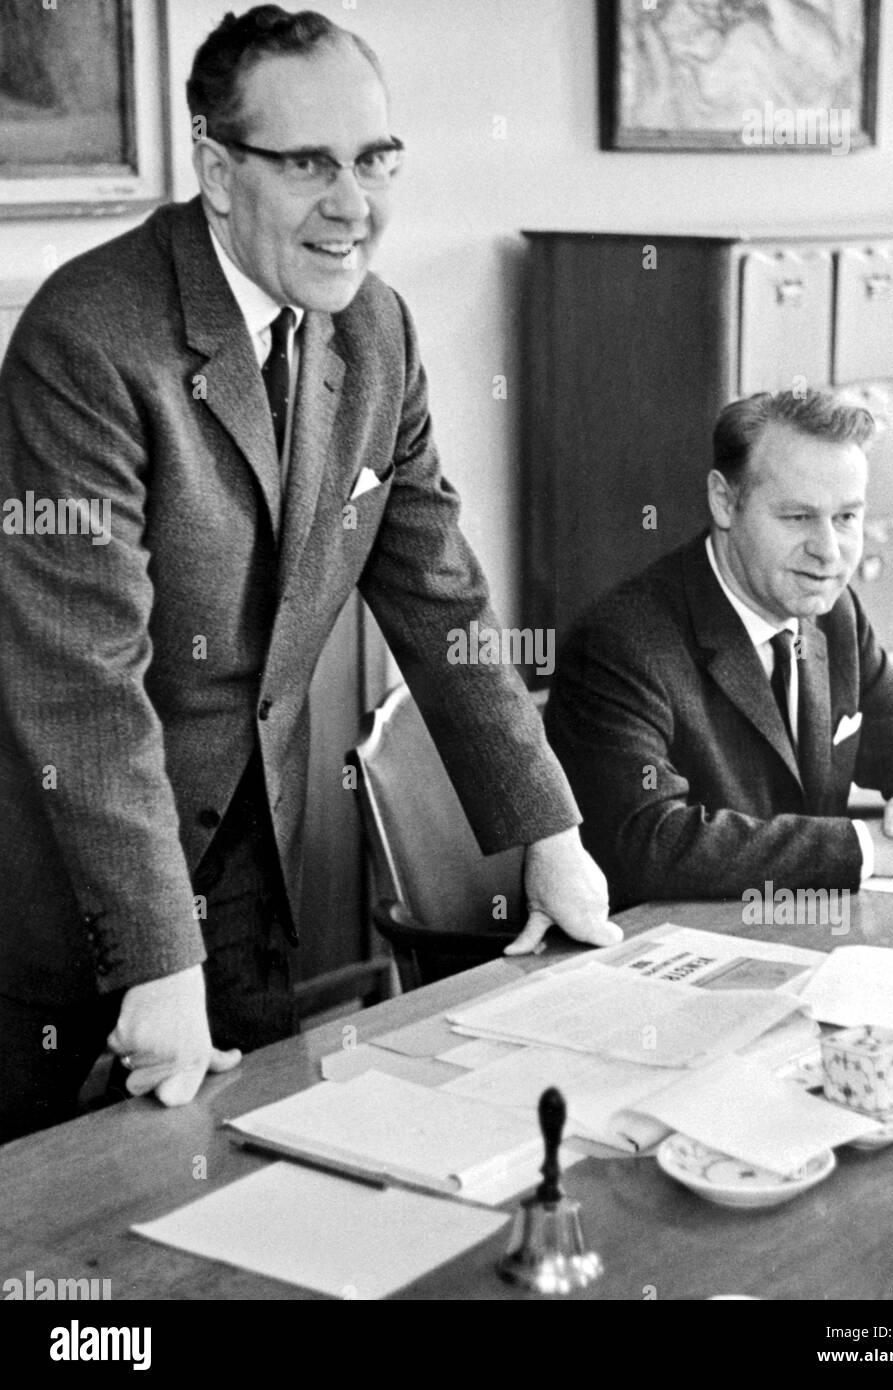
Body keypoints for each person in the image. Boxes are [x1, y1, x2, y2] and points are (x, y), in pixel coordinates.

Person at [0, 6, 617, 1144]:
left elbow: (442, 600)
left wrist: (551, 834)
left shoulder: (374, 330)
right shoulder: (88, 337)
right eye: (310, 165)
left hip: (245, 865)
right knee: (46, 1224)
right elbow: (80, 681)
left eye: (376, 158)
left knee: (237, 1184)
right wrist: (153, 951)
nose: (357, 204)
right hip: (63, 881)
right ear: (217, 170)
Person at [544, 389, 893, 911]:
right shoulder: (622, 644)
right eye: (799, 518)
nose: (828, 551)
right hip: (659, 951)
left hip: (803, 933)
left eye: (847, 518)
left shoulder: (834, 613)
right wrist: (865, 848)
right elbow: (648, 844)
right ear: (725, 502)